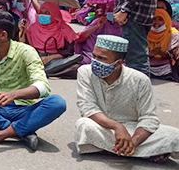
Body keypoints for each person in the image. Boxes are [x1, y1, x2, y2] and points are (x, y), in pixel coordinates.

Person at [0, 9, 66, 150]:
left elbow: (43, 87)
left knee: (57, 103)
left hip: (22, 110)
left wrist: (13, 94)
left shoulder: (26, 52)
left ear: (2, 35)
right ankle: (20, 131)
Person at [75, 35, 179, 163]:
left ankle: (119, 149)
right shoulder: (85, 72)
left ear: (118, 63)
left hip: (134, 129)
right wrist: (117, 126)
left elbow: (149, 118)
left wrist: (133, 142)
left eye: (101, 58)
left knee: (175, 135)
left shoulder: (140, 80)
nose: (95, 61)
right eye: (94, 56)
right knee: (84, 125)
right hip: (103, 126)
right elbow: (88, 108)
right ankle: (143, 153)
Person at [22, 2, 78, 68]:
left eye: (47, 13)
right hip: (36, 58)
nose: (43, 15)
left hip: (57, 59)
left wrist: (50, 58)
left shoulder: (64, 29)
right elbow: (25, 46)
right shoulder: (32, 28)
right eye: (41, 12)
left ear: (54, 14)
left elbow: (69, 51)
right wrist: (22, 31)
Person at [147, 8, 179, 80]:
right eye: (154, 19)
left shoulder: (173, 34)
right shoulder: (145, 33)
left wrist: (161, 53)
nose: (156, 22)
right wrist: (150, 54)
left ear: (166, 20)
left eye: (160, 19)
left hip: (168, 71)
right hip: (147, 70)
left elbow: (174, 55)